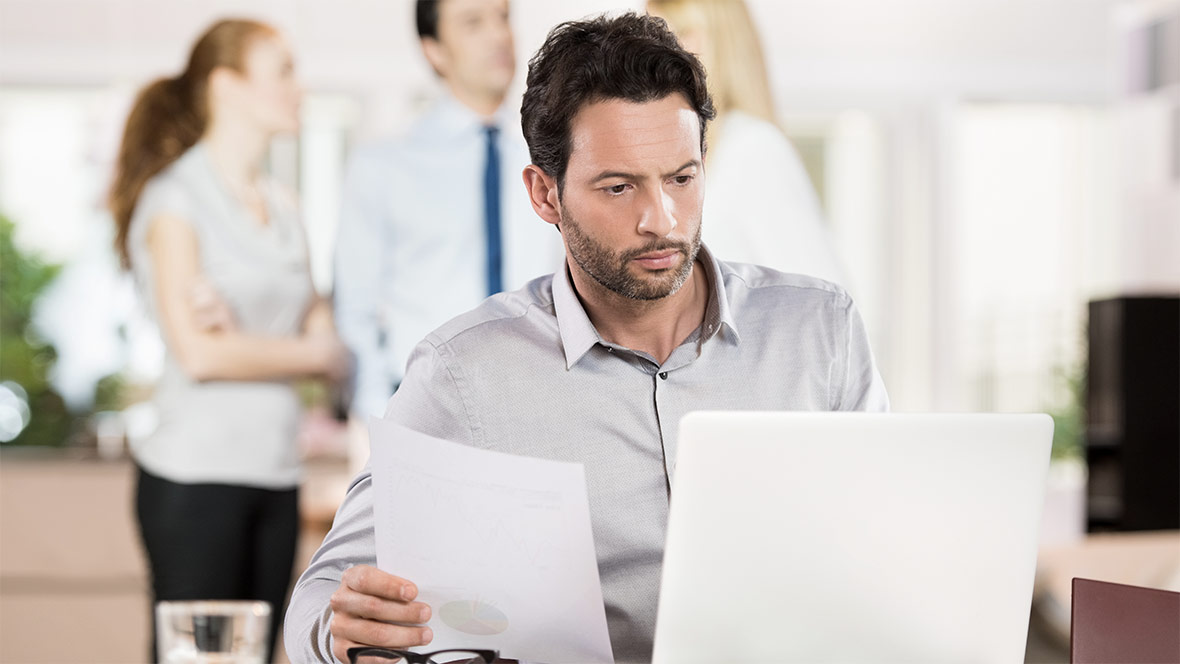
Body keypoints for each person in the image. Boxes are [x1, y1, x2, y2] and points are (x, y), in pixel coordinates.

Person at [285, 12, 887, 664]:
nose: (661, 220)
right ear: (545, 195)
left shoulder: (821, 333)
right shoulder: (463, 375)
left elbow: (891, 544)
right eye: (619, 186)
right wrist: (342, 630)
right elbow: (322, 594)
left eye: (682, 178)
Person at [108, 18, 349, 662]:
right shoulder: (175, 202)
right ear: (227, 85)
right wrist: (299, 351)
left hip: (275, 473)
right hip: (194, 478)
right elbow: (201, 354)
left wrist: (254, 344)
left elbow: (329, 341)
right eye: (284, 72)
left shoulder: (286, 206)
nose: (300, 87)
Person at [333, 0, 561, 420]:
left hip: (540, 401)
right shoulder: (383, 165)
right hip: (425, 407)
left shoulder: (554, 162)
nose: (498, 34)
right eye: (473, 22)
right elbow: (356, 310)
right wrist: (375, 420)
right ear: (434, 49)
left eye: (503, 17)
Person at [647, 0, 846, 284]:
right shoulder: (685, 153)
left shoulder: (753, 149)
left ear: (717, 42)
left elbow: (826, 296)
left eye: (676, 33)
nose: (654, 54)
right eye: (650, 36)